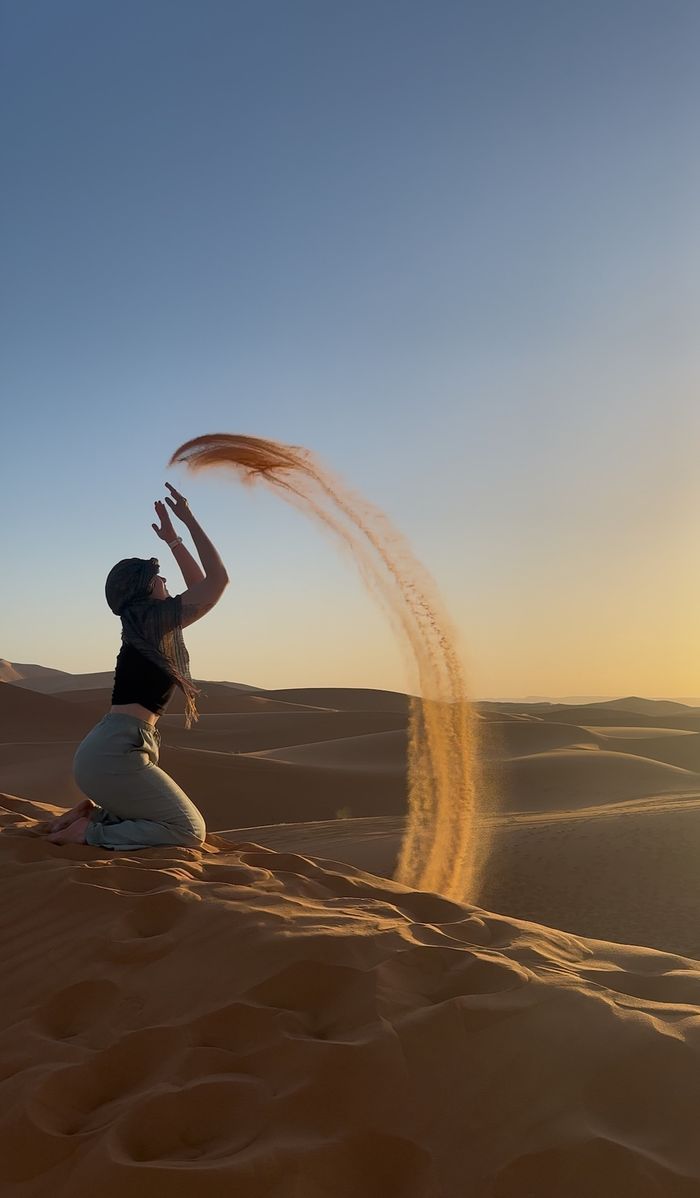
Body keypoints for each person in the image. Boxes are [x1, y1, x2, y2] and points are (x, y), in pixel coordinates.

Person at [45, 482, 228, 848]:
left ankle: (91, 815)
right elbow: (217, 581)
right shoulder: (150, 622)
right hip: (114, 750)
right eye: (157, 577)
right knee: (188, 830)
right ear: (145, 590)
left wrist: (174, 539)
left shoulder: (147, 625)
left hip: (116, 747)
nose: (165, 580)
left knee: (163, 819)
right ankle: (89, 831)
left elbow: (201, 584)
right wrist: (188, 518)